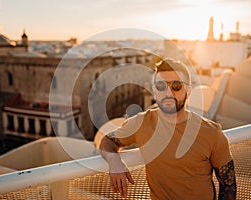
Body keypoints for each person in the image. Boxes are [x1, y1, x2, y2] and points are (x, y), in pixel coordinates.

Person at [99, 58, 236, 199]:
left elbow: (228, 184)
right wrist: (114, 160)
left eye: (176, 86)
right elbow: (107, 141)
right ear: (154, 91)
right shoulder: (142, 123)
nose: (168, 93)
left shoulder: (211, 133)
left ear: (188, 92)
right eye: (161, 86)